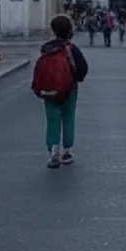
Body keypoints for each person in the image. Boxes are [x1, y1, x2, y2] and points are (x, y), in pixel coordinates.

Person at [33, 14, 89, 168]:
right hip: (69, 89)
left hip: (50, 91)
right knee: (68, 118)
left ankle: (53, 152)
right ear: (70, 30)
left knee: (52, 121)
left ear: (53, 30)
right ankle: (67, 151)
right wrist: (77, 78)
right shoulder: (72, 49)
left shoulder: (47, 49)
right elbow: (83, 68)